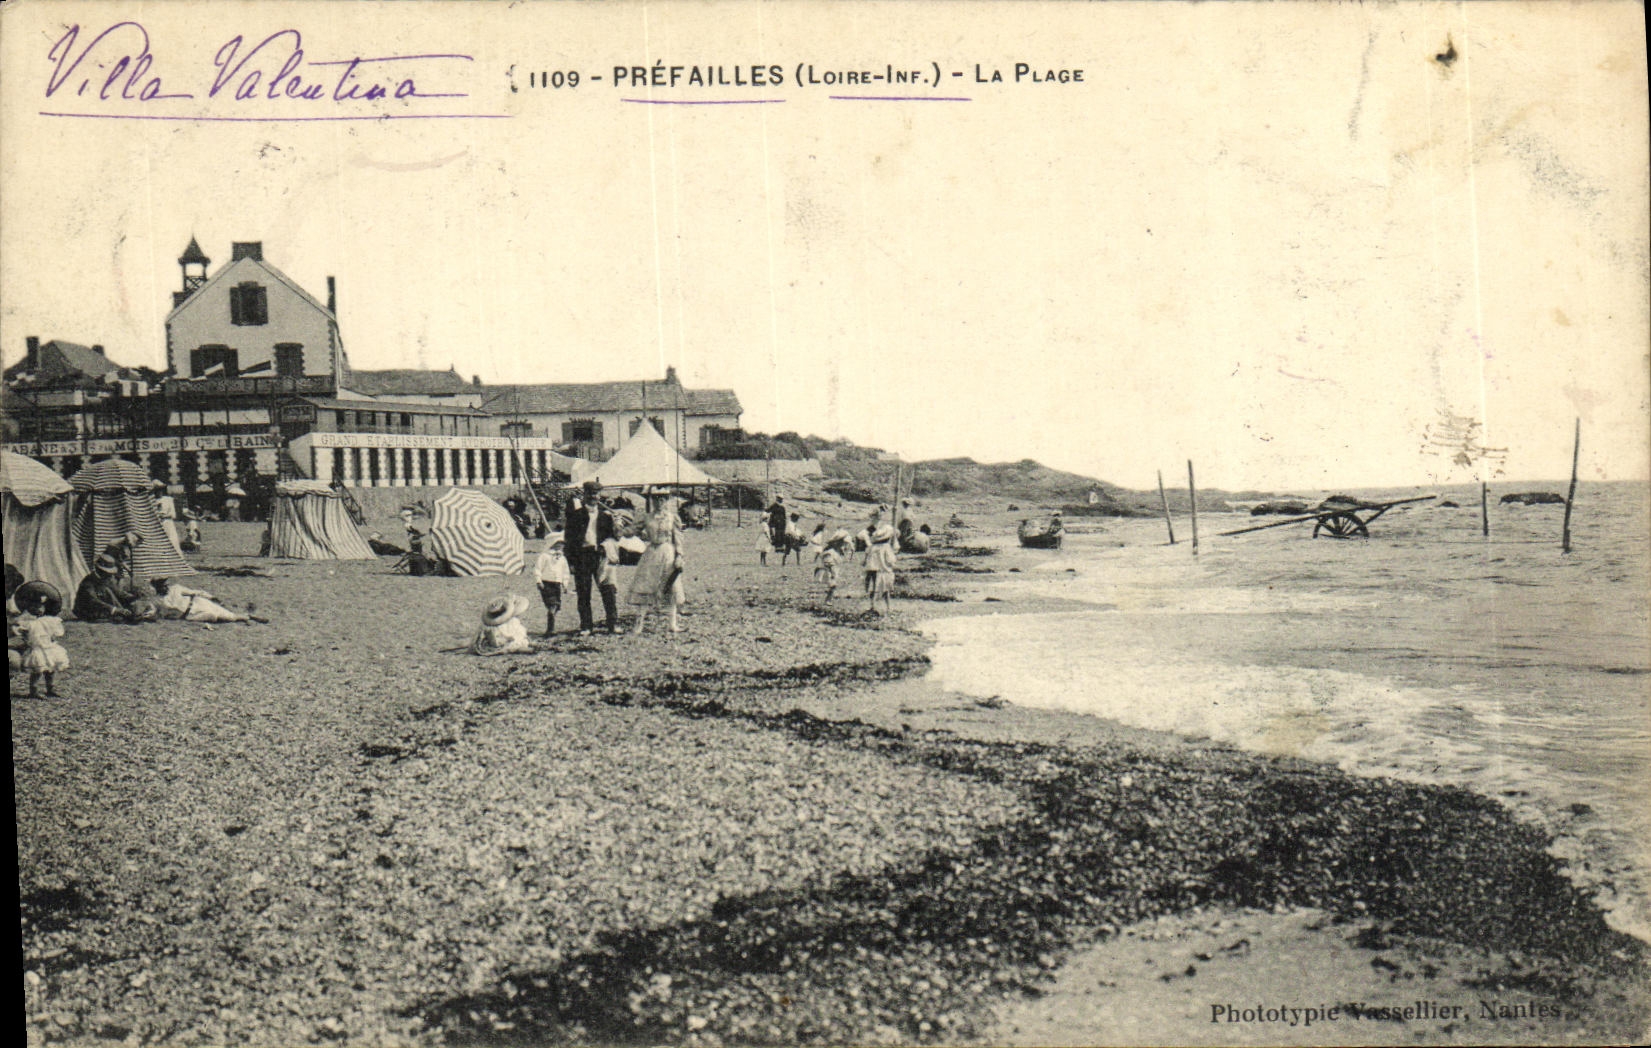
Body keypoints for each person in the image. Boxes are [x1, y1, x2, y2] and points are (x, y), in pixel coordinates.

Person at [565, 480, 619, 635]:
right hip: (582, 556)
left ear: (599, 495)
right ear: (584, 495)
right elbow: (569, 539)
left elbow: (613, 537)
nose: (593, 497)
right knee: (583, 592)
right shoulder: (576, 516)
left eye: (595, 494)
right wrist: (570, 562)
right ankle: (586, 626)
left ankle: (612, 624)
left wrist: (617, 525)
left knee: (608, 590)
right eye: (590, 494)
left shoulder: (606, 516)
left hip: (601, 555)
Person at [628, 498, 685, 635]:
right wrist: (619, 525)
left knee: (671, 586)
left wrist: (679, 555)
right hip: (652, 552)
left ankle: (673, 624)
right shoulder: (647, 518)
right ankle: (639, 625)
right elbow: (631, 531)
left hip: (668, 552)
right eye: (656, 500)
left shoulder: (672, 518)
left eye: (663, 500)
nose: (659, 503)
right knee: (645, 585)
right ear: (652, 501)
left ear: (666, 501)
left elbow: (678, 538)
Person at [15, 583, 68, 698]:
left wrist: (52, 639)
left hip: (49, 647)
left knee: (51, 669)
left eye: (40, 607)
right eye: (34, 607)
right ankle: (33, 691)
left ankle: (50, 688)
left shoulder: (49, 620)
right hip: (37, 648)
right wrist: (26, 639)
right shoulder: (27, 622)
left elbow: (54, 633)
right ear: (29, 607)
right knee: (37, 670)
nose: (38, 609)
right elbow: (23, 633)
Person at [73, 553, 157, 623]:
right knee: (108, 593)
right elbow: (94, 601)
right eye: (107, 572)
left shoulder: (107, 579)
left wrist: (135, 597)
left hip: (106, 608)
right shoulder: (88, 582)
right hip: (88, 611)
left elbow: (119, 593)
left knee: (129, 607)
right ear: (100, 570)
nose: (110, 575)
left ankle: (138, 615)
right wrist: (116, 609)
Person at [152, 578, 266, 623]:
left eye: (166, 584)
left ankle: (249, 616)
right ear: (157, 588)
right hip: (190, 615)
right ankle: (245, 617)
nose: (165, 587)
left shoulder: (176, 588)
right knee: (213, 615)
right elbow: (161, 615)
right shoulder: (159, 602)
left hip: (198, 602)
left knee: (229, 615)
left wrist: (210, 597)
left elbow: (196, 592)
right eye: (162, 585)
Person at [533, 531, 573, 637]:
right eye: (557, 543)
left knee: (556, 605)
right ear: (552, 543)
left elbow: (565, 572)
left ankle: (551, 626)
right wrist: (538, 580)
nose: (560, 546)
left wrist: (565, 584)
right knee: (552, 604)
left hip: (557, 584)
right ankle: (550, 627)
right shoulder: (544, 556)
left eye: (562, 544)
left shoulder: (562, 558)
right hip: (546, 584)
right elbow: (538, 569)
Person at [864, 523, 898, 616]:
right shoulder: (886, 547)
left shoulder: (872, 547)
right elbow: (890, 560)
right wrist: (893, 564)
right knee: (885, 590)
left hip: (872, 570)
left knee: (874, 589)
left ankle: (872, 606)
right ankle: (888, 607)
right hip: (883, 571)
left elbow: (867, 560)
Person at [816, 529, 851, 603]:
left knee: (833, 586)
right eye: (842, 543)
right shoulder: (830, 552)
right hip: (827, 572)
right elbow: (828, 564)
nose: (844, 545)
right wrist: (833, 573)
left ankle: (828, 599)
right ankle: (827, 600)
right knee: (832, 585)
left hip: (832, 572)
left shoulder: (836, 552)